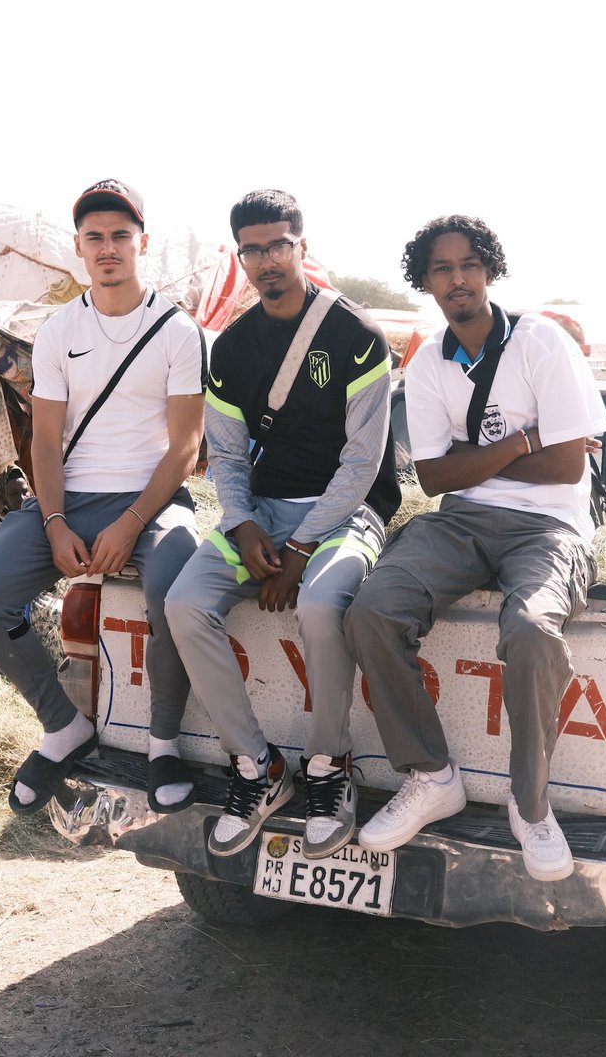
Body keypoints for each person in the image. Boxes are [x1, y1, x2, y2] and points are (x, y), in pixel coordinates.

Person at [344, 214, 606, 881]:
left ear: (489, 269)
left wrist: (481, 457)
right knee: (372, 609)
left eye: (468, 264)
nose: (456, 277)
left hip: (549, 526)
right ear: (426, 280)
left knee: (529, 629)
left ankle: (530, 803)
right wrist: (525, 440)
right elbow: (433, 478)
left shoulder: (541, 342)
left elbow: (567, 469)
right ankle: (432, 775)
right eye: (442, 268)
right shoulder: (430, 358)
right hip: (460, 522)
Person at [165, 189, 400, 860]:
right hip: (263, 513)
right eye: (252, 250)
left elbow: (362, 465)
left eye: (278, 246)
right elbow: (229, 457)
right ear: (239, 256)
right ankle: (257, 767)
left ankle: (329, 767)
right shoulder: (232, 348)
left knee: (323, 605)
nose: (266, 261)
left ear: (302, 246)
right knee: (184, 603)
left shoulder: (357, 337)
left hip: (345, 512)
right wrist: (240, 524)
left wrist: (300, 548)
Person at [0, 179, 206, 815]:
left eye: (120, 236)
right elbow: (44, 443)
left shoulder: (179, 331)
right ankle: (64, 726)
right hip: (69, 494)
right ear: (78, 247)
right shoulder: (57, 330)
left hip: (151, 498)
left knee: (175, 591)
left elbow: (184, 449)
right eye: (94, 237)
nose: (108, 248)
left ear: (141, 243)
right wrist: (53, 522)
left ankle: (162, 743)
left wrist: (129, 524)